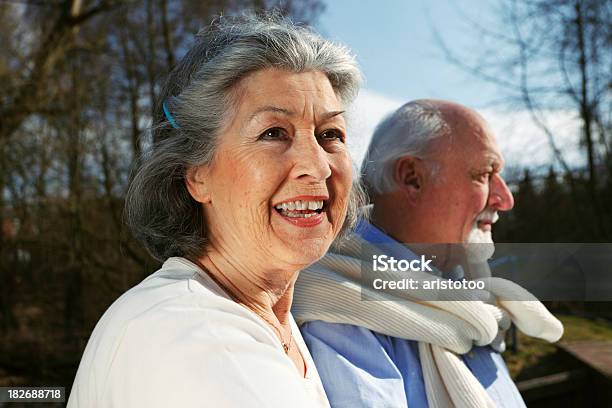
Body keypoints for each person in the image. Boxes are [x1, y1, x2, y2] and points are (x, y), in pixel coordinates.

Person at [67, 13, 364, 408]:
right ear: (197, 175)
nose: (319, 165)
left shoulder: (263, 319)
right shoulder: (196, 338)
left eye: (331, 135)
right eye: (273, 132)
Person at [293, 100, 564, 407]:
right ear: (412, 177)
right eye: (484, 174)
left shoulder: (467, 300)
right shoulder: (341, 310)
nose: (505, 198)